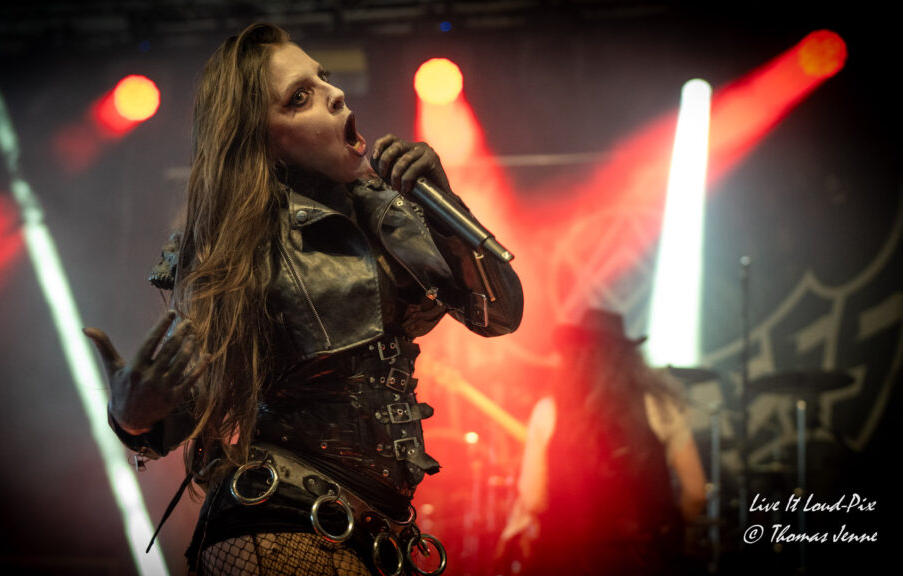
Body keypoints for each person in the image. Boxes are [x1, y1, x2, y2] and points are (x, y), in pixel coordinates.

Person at [83, 22, 523, 576]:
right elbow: (197, 399)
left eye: (324, 79)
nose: (335, 94)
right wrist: (131, 418)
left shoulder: (389, 210)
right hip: (284, 523)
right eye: (299, 98)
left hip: (375, 529)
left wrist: (447, 203)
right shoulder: (239, 245)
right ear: (263, 140)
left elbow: (499, 315)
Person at [497, 308, 705, 575]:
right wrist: (671, 530)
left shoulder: (548, 411)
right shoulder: (659, 407)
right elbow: (696, 492)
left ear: (573, 355)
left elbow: (534, 499)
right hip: (644, 559)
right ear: (628, 358)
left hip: (566, 561)